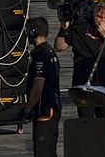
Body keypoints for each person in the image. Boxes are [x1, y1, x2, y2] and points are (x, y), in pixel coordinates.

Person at [54, 0, 105, 121]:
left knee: (104, 122)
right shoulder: (81, 28)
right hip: (83, 84)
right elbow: (59, 47)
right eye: (99, 17)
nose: (102, 21)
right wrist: (64, 28)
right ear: (93, 15)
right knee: (86, 121)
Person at [24, 17, 61, 157]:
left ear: (33, 32)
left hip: (45, 111)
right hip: (52, 109)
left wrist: (27, 109)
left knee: (42, 151)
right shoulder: (50, 52)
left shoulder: (40, 55)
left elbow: (38, 87)